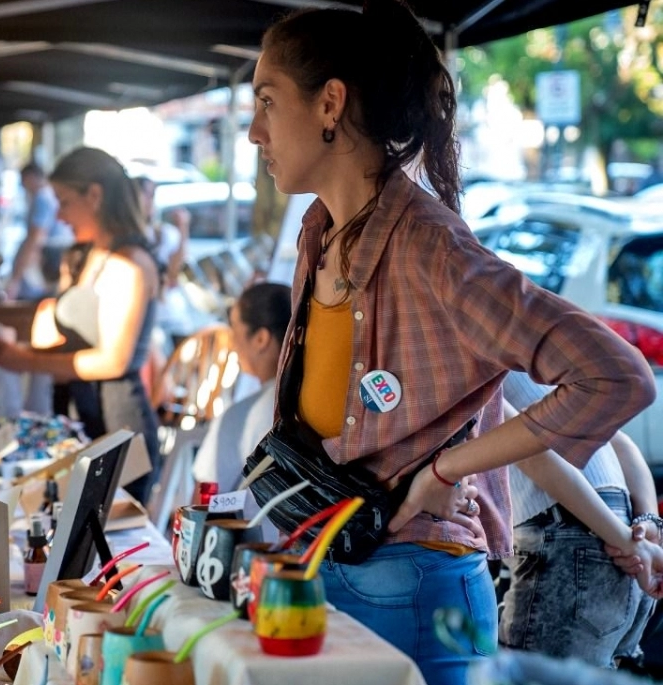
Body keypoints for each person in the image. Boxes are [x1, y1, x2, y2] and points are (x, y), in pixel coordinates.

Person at [246, 3, 655, 684]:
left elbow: (615, 376)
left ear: (331, 104)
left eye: (267, 100)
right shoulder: (319, 232)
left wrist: (446, 469)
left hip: (416, 586)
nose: (255, 130)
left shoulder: (430, 247)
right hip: (333, 567)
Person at [0, 147, 161, 503]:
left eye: (64, 202)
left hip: (119, 427)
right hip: (84, 419)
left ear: (94, 195)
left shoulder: (130, 263)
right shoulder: (90, 255)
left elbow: (112, 360)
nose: (60, 215)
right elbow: (73, 341)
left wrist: (24, 360)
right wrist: (22, 348)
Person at [499, 371, 662, 670]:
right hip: (613, 527)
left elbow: (528, 450)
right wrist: (645, 527)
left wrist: (633, 542)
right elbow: (620, 441)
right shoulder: (529, 348)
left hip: (572, 541)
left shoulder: (456, 343)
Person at [191, 281, 291, 495]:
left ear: (261, 339)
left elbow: (203, 502)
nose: (232, 343)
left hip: (248, 528)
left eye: (234, 330)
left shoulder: (240, 417)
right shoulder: (313, 405)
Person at [6, 162, 70, 300]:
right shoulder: (46, 196)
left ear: (30, 177)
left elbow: (35, 238)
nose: (23, 187)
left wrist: (15, 279)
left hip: (49, 265)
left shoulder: (42, 197)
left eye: (23, 181)